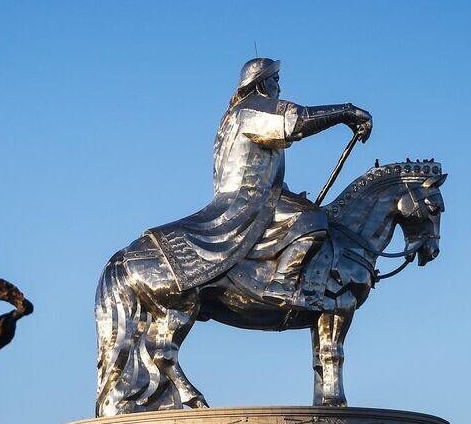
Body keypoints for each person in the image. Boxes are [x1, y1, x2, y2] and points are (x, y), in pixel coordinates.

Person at [145, 58, 372, 303]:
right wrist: (346, 112)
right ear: (260, 84)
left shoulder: (234, 115)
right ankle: (282, 283)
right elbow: (297, 120)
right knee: (312, 220)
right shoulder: (253, 109)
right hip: (249, 199)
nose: (279, 88)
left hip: (253, 194)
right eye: (275, 81)